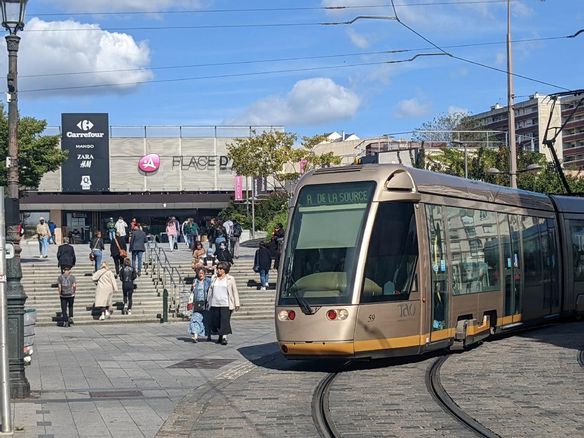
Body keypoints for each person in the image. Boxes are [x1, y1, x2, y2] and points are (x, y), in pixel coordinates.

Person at [206, 262, 240, 345]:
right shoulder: (214, 278)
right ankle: (220, 336)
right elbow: (210, 290)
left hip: (226, 303)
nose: (219, 270)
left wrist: (237, 303)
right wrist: (207, 301)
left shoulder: (230, 279)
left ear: (225, 270)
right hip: (214, 302)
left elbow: (234, 291)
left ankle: (224, 337)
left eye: (221, 269)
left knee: (224, 320)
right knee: (216, 321)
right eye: (218, 268)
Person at [189, 268, 211, 342]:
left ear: (204, 273)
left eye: (202, 273)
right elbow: (192, 291)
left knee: (206, 319)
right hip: (197, 303)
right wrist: (193, 287)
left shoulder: (208, 281)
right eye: (199, 273)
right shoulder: (195, 281)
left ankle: (208, 334)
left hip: (206, 303)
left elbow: (211, 290)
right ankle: (195, 335)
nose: (200, 275)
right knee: (195, 319)